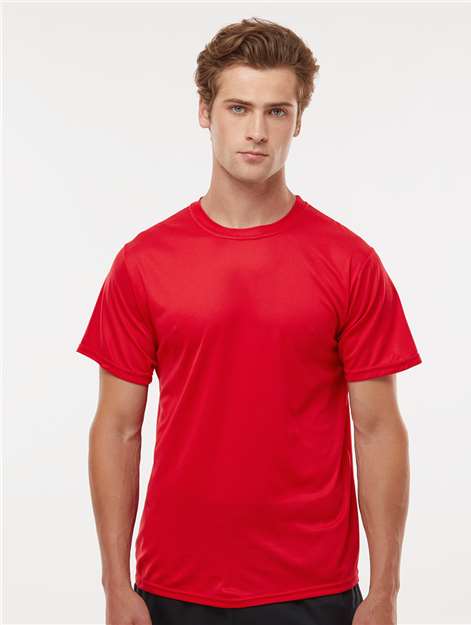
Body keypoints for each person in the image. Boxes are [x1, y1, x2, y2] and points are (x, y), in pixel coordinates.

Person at [76, 16, 422, 625]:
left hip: (313, 586)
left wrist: (385, 590)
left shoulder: (350, 262)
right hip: (174, 584)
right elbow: (117, 429)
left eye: (277, 111)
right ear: (205, 112)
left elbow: (377, 430)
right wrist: (114, 584)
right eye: (238, 108)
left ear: (298, 120)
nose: (257, 131)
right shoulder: (143, 262)